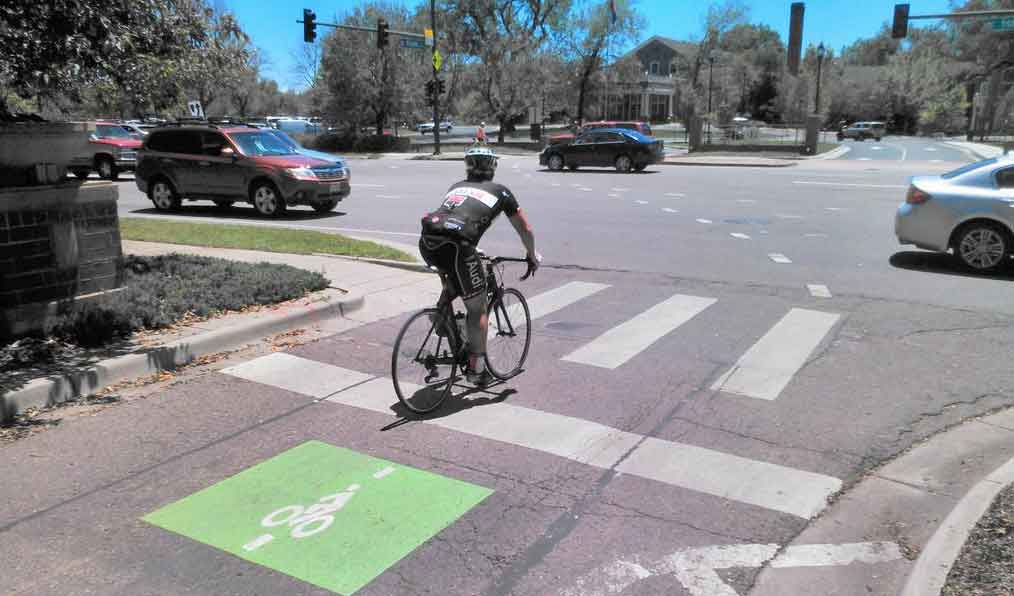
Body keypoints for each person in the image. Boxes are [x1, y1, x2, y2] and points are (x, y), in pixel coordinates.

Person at [418, 145, 540, 387]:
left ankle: (443, 316)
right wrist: (531, 255)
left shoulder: (457, 186)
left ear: (468, 167)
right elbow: (525, 228)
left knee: (456, 277)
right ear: (493, 167)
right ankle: (477, 370)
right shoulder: (501, 192)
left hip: (428, 241)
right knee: (478, 308)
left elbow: (458, 217)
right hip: (458, 247)